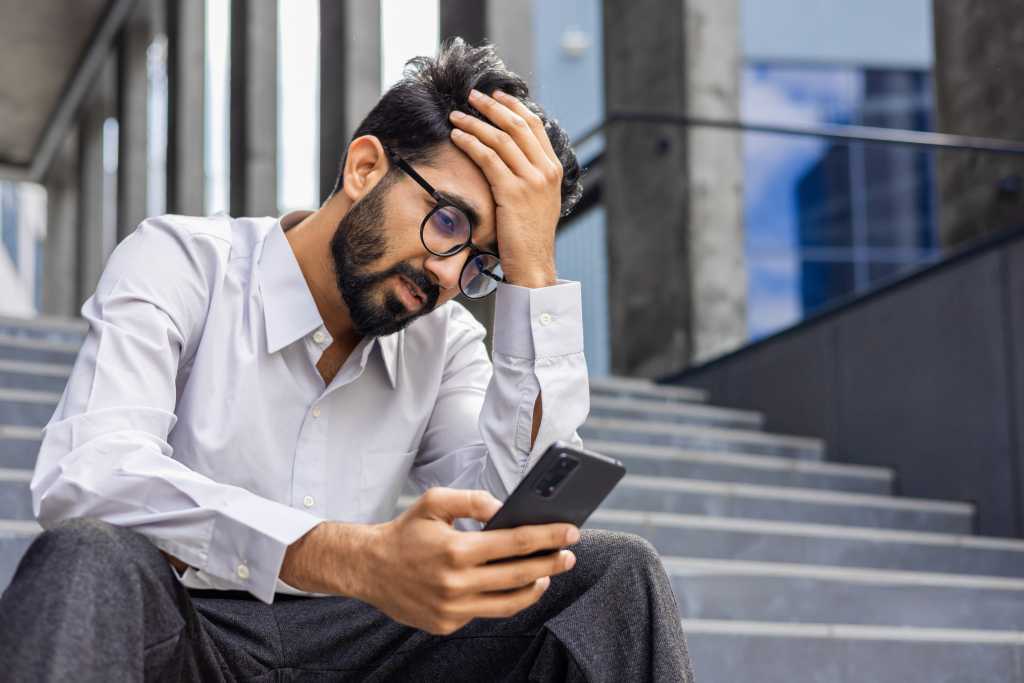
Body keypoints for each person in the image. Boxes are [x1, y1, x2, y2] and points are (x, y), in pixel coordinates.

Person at [0, 39, 695, 681]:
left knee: (613, 576)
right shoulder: (182, 263)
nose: (452, 275)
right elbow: (87, 475)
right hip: (185, 635)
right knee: (90, 556)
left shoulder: (446, 341)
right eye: (448, 220)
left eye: (485, 261)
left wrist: (535, 271)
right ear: (365, 167)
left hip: (361, 651)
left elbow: (512, 529)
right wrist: (352, 557)